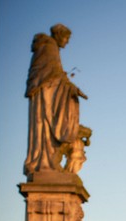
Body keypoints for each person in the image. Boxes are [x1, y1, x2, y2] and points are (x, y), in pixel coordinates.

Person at [24, 23, 88, 176]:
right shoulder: (49, 48)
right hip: (45, 96)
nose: (67, 42)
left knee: (47, 129)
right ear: (60, 35)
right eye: (67, 38)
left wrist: (69, 86)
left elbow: (55, 74)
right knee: (46, 127)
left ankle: (48, 162)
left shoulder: (50, 48)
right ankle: (44, 162)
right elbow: (49, 75)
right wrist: (70, 87)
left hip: (48, 93)